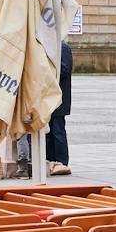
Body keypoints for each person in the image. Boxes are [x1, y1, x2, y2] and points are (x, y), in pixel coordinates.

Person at [46, 39, 74, 175]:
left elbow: (65, 69)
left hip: (60, 98)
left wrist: (47, 71)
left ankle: (62, 162)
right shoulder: (51, 46)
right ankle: (50, 160)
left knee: (58, 131)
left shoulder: (62, 47)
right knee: (49, 132)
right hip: (49, 97)